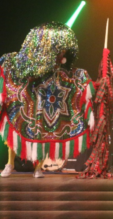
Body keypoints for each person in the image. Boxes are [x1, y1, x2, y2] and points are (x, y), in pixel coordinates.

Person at [0, 22, 95, 178]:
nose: (63, 50)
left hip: (48, 98)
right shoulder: (34, 60)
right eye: (61, 46)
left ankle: (38, 168)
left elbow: (68, 75)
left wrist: (84, 79)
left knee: (44, 130)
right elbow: (25, 70)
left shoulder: (59, 61)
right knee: (16, 122)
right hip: (30, 95)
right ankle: (9, 164)